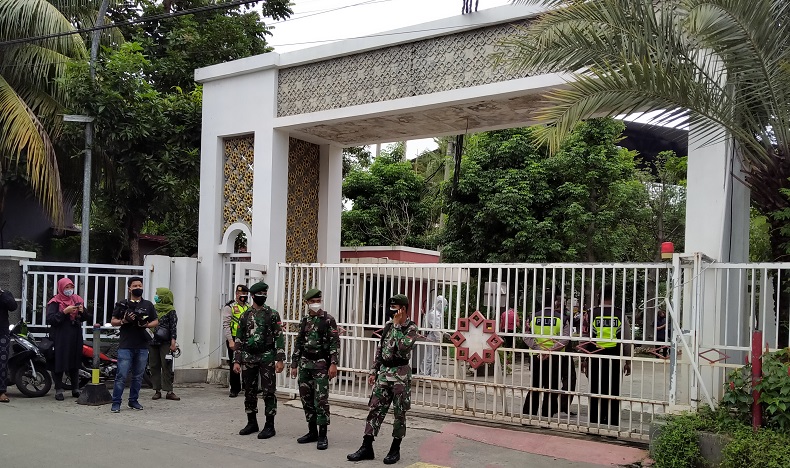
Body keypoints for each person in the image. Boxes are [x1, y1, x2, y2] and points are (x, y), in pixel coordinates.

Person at [347, 294, 424, 465]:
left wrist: (397, 326)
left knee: (399, 413)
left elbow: (403, 348)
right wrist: (374, 370)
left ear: (403, 309)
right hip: (384, 373)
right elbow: (380, 349)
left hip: (400, 375)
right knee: (374, 408)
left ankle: (395, 449)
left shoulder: (411, 328)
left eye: (394, 308)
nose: (391, 311)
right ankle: (367, 446)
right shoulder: (388, 326)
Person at [233, 281, 285, 439]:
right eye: (260, 294)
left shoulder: (272, 314)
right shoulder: (245, 315)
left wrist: (280, 359)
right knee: (249, 391)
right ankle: (251, 422)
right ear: (253, 296)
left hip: (266, 356)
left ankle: (270, 425)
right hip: (249, 357)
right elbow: (239, 339)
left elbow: (279, 337)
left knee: (269, 391)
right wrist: (237, 360)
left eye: (265, 294)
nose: (263, 296)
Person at [290, 288, 340, 450]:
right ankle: (312, 431)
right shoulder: (305, 320)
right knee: (306, 399)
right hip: (305, 365)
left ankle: (323, 435)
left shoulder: (328, 320)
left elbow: (334, 343)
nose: (315, 304)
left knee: (321, 401)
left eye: (318, 301)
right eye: (312, 301)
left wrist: (333, 363)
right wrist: (294, 364)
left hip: (321, 365)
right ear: (307, 303)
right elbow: (299, 343)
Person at [581, 285, 633, 426]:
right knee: (613, 391)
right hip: (614, 358)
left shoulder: (590, 313)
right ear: (614, 297)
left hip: (594, 356)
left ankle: (594, 422)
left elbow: (584, 338)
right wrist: (628, 361)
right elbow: (626, 340)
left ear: (599, 296)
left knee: (595, 390)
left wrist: (583, 359)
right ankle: (612, 424)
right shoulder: (620, 314)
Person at [110, 277, 159, 413]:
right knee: (121, 375)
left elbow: (156, 321)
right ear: (129, 288)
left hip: (142, 345)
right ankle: (116, 402)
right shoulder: (122, 304)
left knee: (138, 376)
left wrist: (145, 324)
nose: (138, 288)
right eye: (135, 286)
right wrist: (124, 321)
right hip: (126, 345)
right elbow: (113, 321)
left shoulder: (148, 305)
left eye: (140, 285)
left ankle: (133, 401)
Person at [522, 289, 570, 418]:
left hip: (537, 357)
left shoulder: (532, 317)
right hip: (555, 357)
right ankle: (546, 416)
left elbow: (526, 336)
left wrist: (539, 349)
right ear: (555, 302)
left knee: (535, 386)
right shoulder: (562, 318)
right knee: (551, 387)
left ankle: (528, 415)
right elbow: (565, 339)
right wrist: (550, 350)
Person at [46, 278, 90, 401]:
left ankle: (75, 388)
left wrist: (82, 312)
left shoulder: (77, 299)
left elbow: (85, 317)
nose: (69, 290)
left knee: (75, 361)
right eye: (66, 287)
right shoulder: (55, 301)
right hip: (60, 335)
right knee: (59, 360)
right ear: (60, 288)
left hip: (75, 334)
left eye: (71, 287)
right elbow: (51, 319)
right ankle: (59, 389)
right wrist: (65, 312)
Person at [149, 287, 179, 401]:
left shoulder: (171, 310)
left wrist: (173, 342)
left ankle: (169, 391)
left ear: (164, 297)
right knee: (154, 365)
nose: (156, 296)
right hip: (153, 341)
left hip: (166, 342)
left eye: (158, 295)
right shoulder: (153, 308)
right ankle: (157, 390)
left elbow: (173, 327)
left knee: (166, 365)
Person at [222, 284, 249, 397]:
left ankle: (247, 387)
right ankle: (234, 388)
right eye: (241, 294)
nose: (243, 296)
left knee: (248, 363)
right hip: (234, 338)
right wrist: (230, 340)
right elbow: (226, 325)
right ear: (236, 294)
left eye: (245, 294)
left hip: (246, 338)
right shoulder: (230, 307)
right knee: (234, 363)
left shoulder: (248, 307)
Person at [559, 297, 580, 415]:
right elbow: (575, 322)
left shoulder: (539, 314)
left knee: (550, 379)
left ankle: (551, 406)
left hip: (546, 351)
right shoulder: (565, 315)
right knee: (570, 378)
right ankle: (564, 405)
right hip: (564, 351)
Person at [421, 295, 446, 377]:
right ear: (440, 303)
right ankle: (425, 373)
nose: (445, 307)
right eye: (444, 305)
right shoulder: (434, 313)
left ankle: (431, 373)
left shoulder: (437, 313)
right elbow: (436, 328)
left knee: (434, 356)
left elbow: (439, 327)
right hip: (432, 338)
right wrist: (439, 339)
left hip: (434, 338)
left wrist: (445, 333)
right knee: (429, 357)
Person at [0, 286, 18, 403]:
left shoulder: (5, 294)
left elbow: (13, 307)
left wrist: (2, 294)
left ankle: (1, 391)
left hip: (2, 334)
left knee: (2, 363)